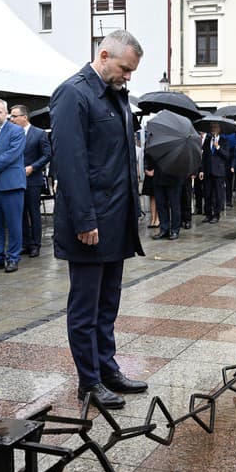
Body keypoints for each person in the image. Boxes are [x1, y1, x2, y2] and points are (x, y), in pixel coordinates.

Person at [50, 29, 147, 413]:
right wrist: (84, 220)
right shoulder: (74, 93)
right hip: (89, 224)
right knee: (85, 308)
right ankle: (88, 381)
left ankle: (107, 368)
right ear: (104, 55)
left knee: (108, 304)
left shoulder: (117, 96)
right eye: (124, 68)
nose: (128, 76)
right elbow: (70, 165)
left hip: (116, 220)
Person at [0, 99, 26, 273]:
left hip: (11, 184)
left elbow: (11, 155)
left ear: (6, 113)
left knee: (13, 224)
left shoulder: (16, 131)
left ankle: (13, 258)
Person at [10, 105, 51, 258]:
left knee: (33, 212)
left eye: (14, 116)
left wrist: (32, 167)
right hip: (15, 179)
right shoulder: (12, 134)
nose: (11, 119)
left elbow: (47, 155)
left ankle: (35, 244)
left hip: (32, 179)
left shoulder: (39, 134)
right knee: (20, 213)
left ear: (24, 117)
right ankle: (25, 243)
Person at [146, 151, 183, 240]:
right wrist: (146, 168)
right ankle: (164, 229)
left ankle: (174, 230)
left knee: (174, 206)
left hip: (173, 178)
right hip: (158, 177)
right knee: (161, 205)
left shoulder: (177, 141)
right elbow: (148, 153)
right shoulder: (155, 139)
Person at [200, 122, 231, 224]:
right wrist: (201, 170)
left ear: (219, 129)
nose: (213, 129)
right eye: (212, 127)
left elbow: (227, 156)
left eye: (215, 127)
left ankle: (216, 215)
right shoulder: (207, 140)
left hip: (219, 172)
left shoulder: (224, 141)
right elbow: (204, 157)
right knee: (207, 194)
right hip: (208, 171)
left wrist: (218, 147)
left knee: (218, 195)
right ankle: (208, 214)